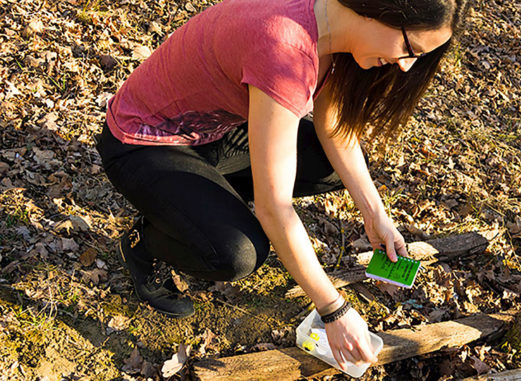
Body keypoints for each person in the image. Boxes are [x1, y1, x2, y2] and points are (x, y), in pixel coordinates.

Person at [95, 0, 470, 370]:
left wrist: (376, 214)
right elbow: (273, 207)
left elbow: (334, 128)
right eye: (409, 49)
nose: (406, 65)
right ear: (379, 9)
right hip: (141, 142)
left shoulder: (332, 28)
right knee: (236, 253)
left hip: (211, 133)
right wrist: (333, 310)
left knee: (329, 167)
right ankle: (146, 241)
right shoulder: (285, 48)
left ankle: (199, 206)